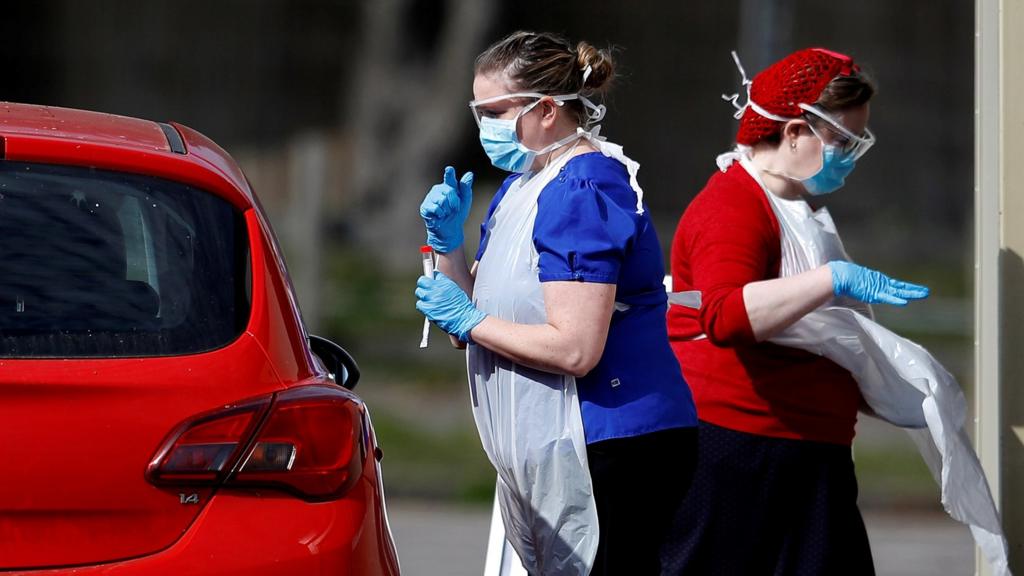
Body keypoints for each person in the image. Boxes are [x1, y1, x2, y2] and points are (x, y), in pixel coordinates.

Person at [415, 30, 698, 576]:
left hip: (618, 439)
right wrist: (448, 249)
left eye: (495, 111)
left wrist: (469, 319)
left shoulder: (583, 189)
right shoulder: (525, 184)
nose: (483, 127)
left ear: (547, 109)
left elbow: (574, 349)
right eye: (478, 111)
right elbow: (472, 324)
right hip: (555, 438)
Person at [663, 48, 930, 575]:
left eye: (859, 142)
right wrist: (831, 279)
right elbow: (726, 317)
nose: (851, 155)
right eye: (842, 141)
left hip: (800, 453)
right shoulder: (733, 205)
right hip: (743, 452)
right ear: (791, 133)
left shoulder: (792, 210)